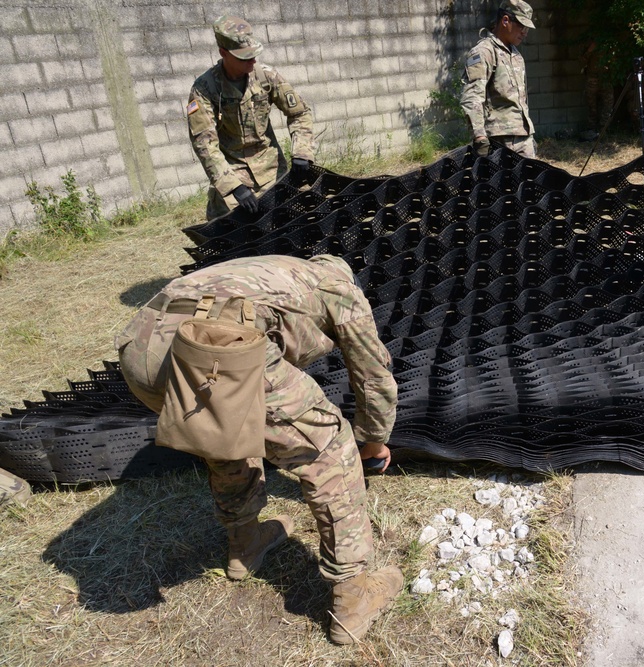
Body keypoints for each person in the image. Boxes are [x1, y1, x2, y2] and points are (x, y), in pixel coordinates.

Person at [115, 255, 402, 644]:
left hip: (140, 350)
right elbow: (373, 372)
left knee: (224, 430)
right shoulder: (338, 288)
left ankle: (245, 545)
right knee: (329, 448)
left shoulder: (272, 270)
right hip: (214, 348)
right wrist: (374, 438)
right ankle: (354, 599)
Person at [187, 15, 315, 221]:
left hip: (273, 172)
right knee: (231, 241)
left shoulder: (266, 77)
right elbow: (204, 142)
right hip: (233, 176)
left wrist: (302, 152)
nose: (253, 60)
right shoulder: (205, 89)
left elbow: (300, 112)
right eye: (244, 57)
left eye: (254, 54)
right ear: (223, 53)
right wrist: (232, 185)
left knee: (285, 230)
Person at [460, 0, 537, 158]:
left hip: (523, 137)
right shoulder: (484, 52)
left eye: (527, 28)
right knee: (501, 183)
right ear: (505, 20)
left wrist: (528, 135)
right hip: (498, 140)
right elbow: (472, 96)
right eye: (522, 25)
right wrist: (479, 137)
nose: (525, 32)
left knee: (530, 182)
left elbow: (521, 100)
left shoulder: (516, 55)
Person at [579, 39, 614, 142]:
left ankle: (603, 132)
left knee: (608, 106)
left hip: (606, 79)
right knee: (592, 107)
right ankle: (591, 132)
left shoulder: (610, 43)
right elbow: (581, 61)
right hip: (592, 79)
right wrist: (590, 51)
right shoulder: (589, 43)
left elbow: (615, 62)